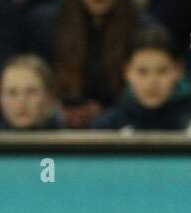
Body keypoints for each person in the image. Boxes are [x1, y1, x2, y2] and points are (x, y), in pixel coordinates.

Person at [27, 0, 159, 128]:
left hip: (119, 125)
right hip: (54, 125)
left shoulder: (143, 28)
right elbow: (32, 78)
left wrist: (107, 114)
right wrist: (55, 111)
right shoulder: (45, 23)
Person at [92, 24, 191, 131]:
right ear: (126, 72)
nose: (152, 82)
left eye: (162, 71)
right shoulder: (106, 128)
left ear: (179, 70)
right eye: (142, 72)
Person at [0, 54, 64, 129]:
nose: (22, 102)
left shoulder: (72, 138)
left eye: (31, 92)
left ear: (49, 97)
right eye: (12, 93)